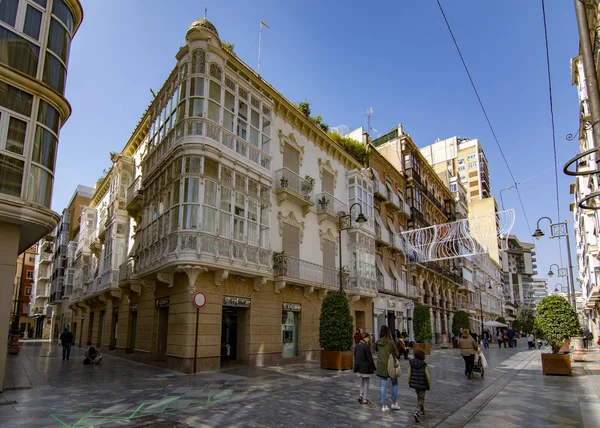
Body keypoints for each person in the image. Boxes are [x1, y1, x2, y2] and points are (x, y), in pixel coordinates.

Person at [376, 325, 400, 412]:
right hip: (391, 366)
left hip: (382, 365)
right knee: (395, 383)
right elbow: (396, 354)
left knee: (383, 385)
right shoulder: (390, 342)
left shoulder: (378, 342)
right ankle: (393, 403)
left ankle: (383, 405)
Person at [409, 348, 431, 423]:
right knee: (421, 398)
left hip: (415, 383)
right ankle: (417, 411)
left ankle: (422, 411)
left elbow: (409, 373)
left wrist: (409, 381)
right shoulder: (424, 364)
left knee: (419, 397)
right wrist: (429, 383)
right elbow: (427, 375)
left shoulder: (411, 363)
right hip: (422, 383)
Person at [354, 332, 376, 405]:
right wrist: (373, 367)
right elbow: (369, 358)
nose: (368, 339)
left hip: (359, 367)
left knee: (363, 381)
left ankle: (361, 395)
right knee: (366, 382)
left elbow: (355, 356)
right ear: (365, 338)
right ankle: (365, 399)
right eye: (367, 338)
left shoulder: (357, 346)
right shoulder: (366, 346)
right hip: (365, 367)